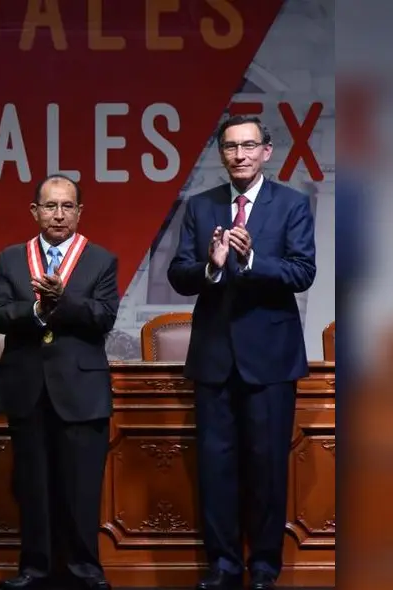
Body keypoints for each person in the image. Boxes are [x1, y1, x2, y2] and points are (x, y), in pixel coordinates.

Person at [167, 115, 316, 590]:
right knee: (217, 467)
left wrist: (250, 260)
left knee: (267, 468)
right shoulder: (200, 206)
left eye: (249, 146)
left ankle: (265, 567)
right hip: (214, 357)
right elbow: (178, 273)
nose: (240, 155)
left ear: (266, 152)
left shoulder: (291, 205)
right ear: (221, 154)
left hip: (270, 359)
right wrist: (210, 269)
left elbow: (301, 272)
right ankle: (224, 565)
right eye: (230, 147)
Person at [0, 174, 117, 590]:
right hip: (27, 386)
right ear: (34, 212)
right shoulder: (11, 258)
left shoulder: (101, 259)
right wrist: (39, 311)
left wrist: (63, 302)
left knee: (81, 488)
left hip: (81, 390)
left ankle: (85, 570)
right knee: (33, 486)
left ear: (79, 212)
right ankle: (35, 569)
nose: (58, 215)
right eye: (50, 206)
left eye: (66, 207)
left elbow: (103, 318)